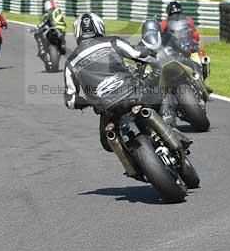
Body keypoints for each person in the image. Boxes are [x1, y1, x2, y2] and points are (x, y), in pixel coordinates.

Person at [63, 13, 190, 163]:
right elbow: (139, 54)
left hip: (106, 109)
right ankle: (172, 129)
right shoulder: (112, 42)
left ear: (77, 32)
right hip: (132, 94)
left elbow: (71, 101)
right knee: (164, 96)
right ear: (99, 27)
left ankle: (133, 164)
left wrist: (87, 102)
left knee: (107, 143)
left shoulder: (70, 63)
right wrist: (154, 60)